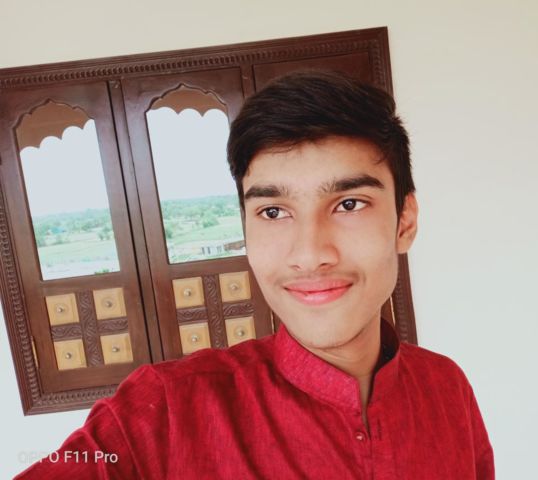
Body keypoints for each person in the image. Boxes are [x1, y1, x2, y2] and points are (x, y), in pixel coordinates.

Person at [16, 71, 494, 479]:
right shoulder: (163, 413)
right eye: (273, 212)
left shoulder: (447, 389)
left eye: (349, 204)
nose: (309, 254)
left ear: (404, 221)